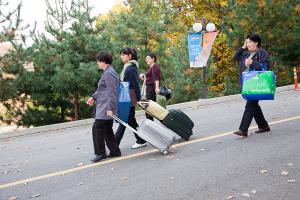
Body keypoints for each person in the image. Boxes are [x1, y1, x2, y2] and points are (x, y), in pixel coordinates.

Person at [233, 33, 271, 137]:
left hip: (257, 84)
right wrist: (243, 47)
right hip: (248, 83)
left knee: (250, 105)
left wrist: (252, 63)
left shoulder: (262, 53)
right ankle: (263, 126)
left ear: (256, 43)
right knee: (254, 105)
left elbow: (265, 68)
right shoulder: (246, 54)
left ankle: (243, 130)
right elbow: (236, 57)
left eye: (250, 42)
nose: (248, 44)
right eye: (247, 42)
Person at [87, 51, 121, 162]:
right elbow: (102, 90)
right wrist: (93, 97)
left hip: (106, 106)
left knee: (97, 128)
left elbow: (112, 92)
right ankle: (115, 151)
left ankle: (100, 153)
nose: (97, 63)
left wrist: (110, 109)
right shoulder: (108, 72)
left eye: (98, 61)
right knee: (107, 129)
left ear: (103, 61)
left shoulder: (109, 73)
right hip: (104, 104)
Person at [115, 47, 147, 149]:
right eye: (121, 54)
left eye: (124, 55)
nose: (122, 56)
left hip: (129, 97)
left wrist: (137, 99)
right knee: (128, 121)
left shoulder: (130, 68)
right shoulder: (127, 67)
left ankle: (115, 145)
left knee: (125, 121)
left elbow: (134, 85)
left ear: (130, 56)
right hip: (125, 96)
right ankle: (141, 139)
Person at [140, 52, 161, 120]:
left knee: (148, 107)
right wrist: (143, 76)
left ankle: (150, 122)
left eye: (148, 58)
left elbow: (156, 77)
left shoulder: (155, 66)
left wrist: (157, 87)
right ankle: (150, 122)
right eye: (146, 59)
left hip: (151, 89)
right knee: (148, 108)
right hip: (148, 88)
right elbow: (149, 78)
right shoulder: (151, 67)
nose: (146, 60)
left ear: (153, 58)